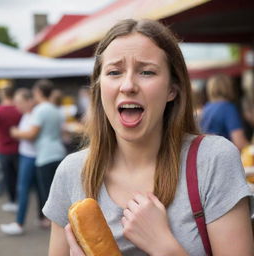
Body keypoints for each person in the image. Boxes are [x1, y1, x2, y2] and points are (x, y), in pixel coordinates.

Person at [43, 19, 254, 256]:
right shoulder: (71, 173)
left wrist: (164, 247)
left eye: (146, 71)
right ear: (99, 86)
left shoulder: (212, 160)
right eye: (114, 72)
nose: (128, 85)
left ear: (172, 89)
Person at [11, 80, 66, 228]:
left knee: (46, 191)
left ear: (39, 92)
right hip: (59, 152)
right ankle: (51, 220)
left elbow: (31, 134)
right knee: (56, 190)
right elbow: (63, 132)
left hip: (45, 155)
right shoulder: (56, 109)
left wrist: (16, 132)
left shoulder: (40, 110)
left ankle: (50, 221)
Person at [0, 88, 44, 235]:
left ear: (29, 101)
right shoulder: (26, 114)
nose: (17, 106)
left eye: (19, 102)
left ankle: (19, 223)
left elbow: (31, 135)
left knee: (23, 189)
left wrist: (16, 133)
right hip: (28, 155)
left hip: (30, 156)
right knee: (37, 190)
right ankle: (40, 218)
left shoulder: (34, 115)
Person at [200, 73, 248, 151]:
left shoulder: (206, 108)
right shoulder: (228, 108)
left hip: (208, 155)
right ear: (229, 88)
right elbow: (239, 142)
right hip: (224, 156)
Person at [0, 86, 21, 212]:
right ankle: (20, 200)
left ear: (3, 95)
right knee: (19, 177)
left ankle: (13, 201)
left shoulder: (0, 110)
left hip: (4, 149)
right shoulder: (19, 110)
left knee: (9, 177)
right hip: (19, 148)